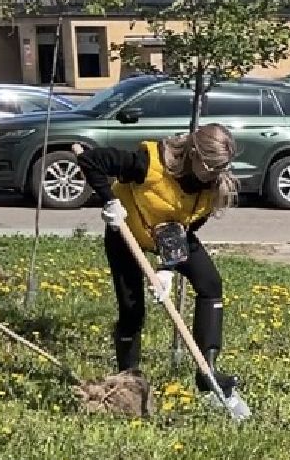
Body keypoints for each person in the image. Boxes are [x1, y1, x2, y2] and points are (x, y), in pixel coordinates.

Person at [77, 125, 241, 394]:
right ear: (193, 154)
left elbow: (188, 226)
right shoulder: (148, 164)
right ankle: (128, 381)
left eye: (219, 168)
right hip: (127, 233)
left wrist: (167, 266)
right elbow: (90, 160)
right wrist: (109, 202)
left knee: (210, 283)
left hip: (170, 235)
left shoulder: (213, 187)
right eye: (210, 167)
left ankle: (207, 372)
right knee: (132, 311)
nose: (214, 175)